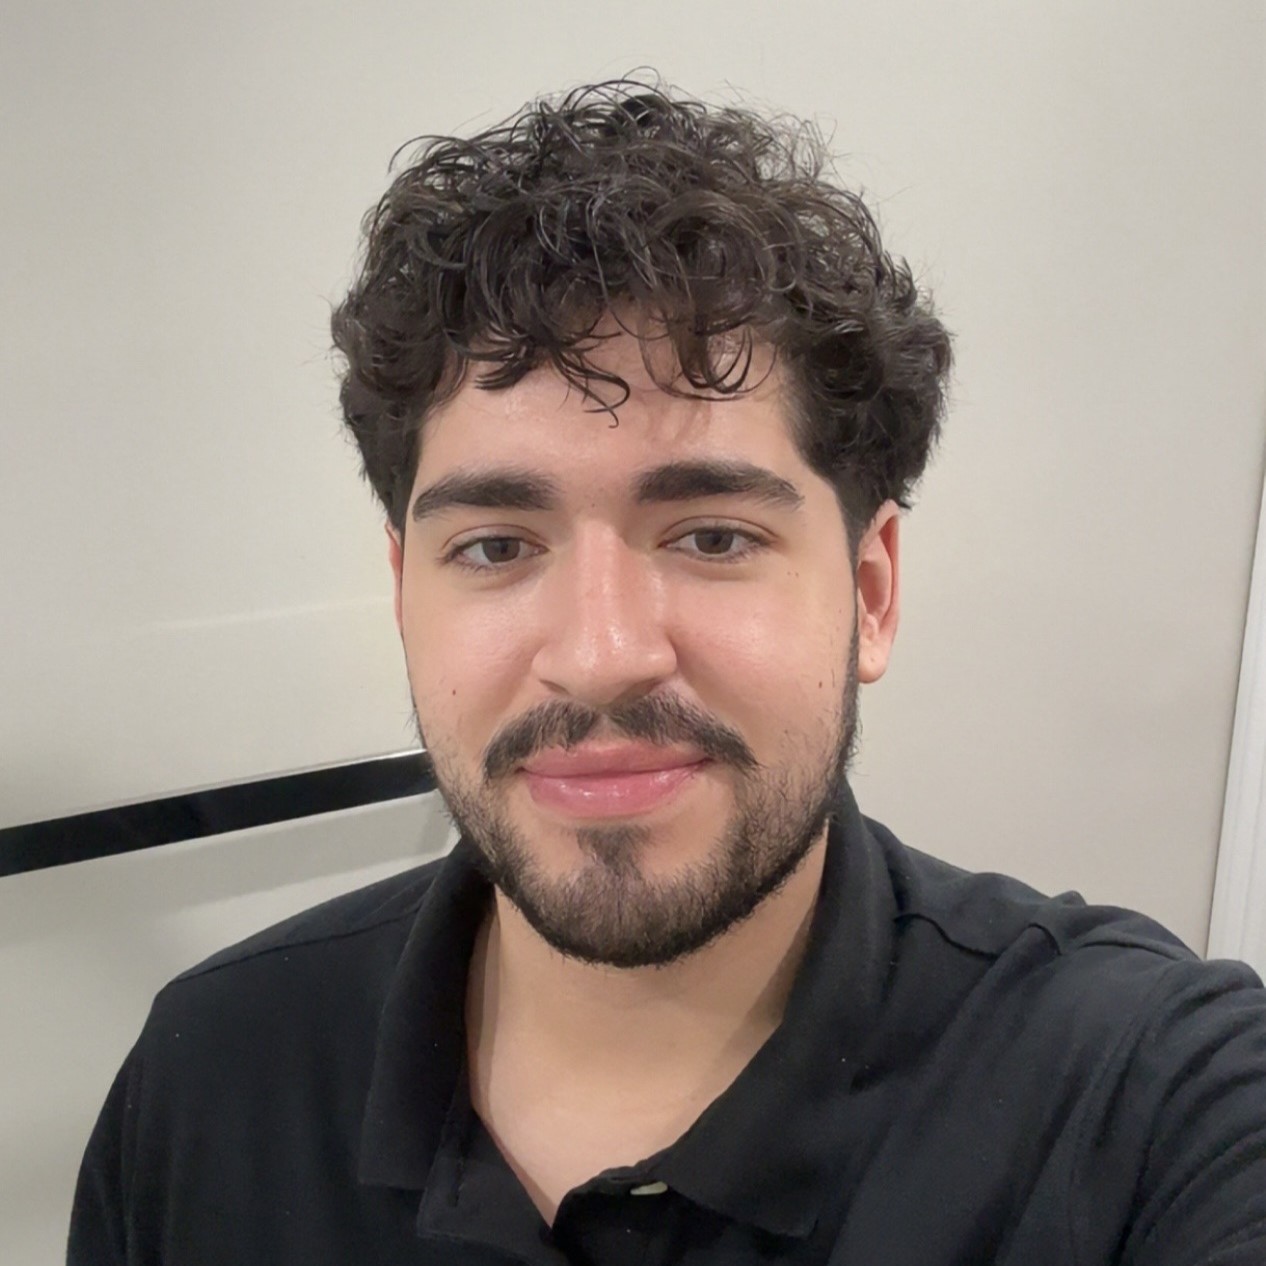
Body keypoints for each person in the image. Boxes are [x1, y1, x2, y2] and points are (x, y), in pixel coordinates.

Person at [69, 78, 1266, 1266]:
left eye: (713, 538)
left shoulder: (1152, 1103)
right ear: (403, 595)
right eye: (495, 548)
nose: (600, 658)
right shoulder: (210, 1079)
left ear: (870, 592)